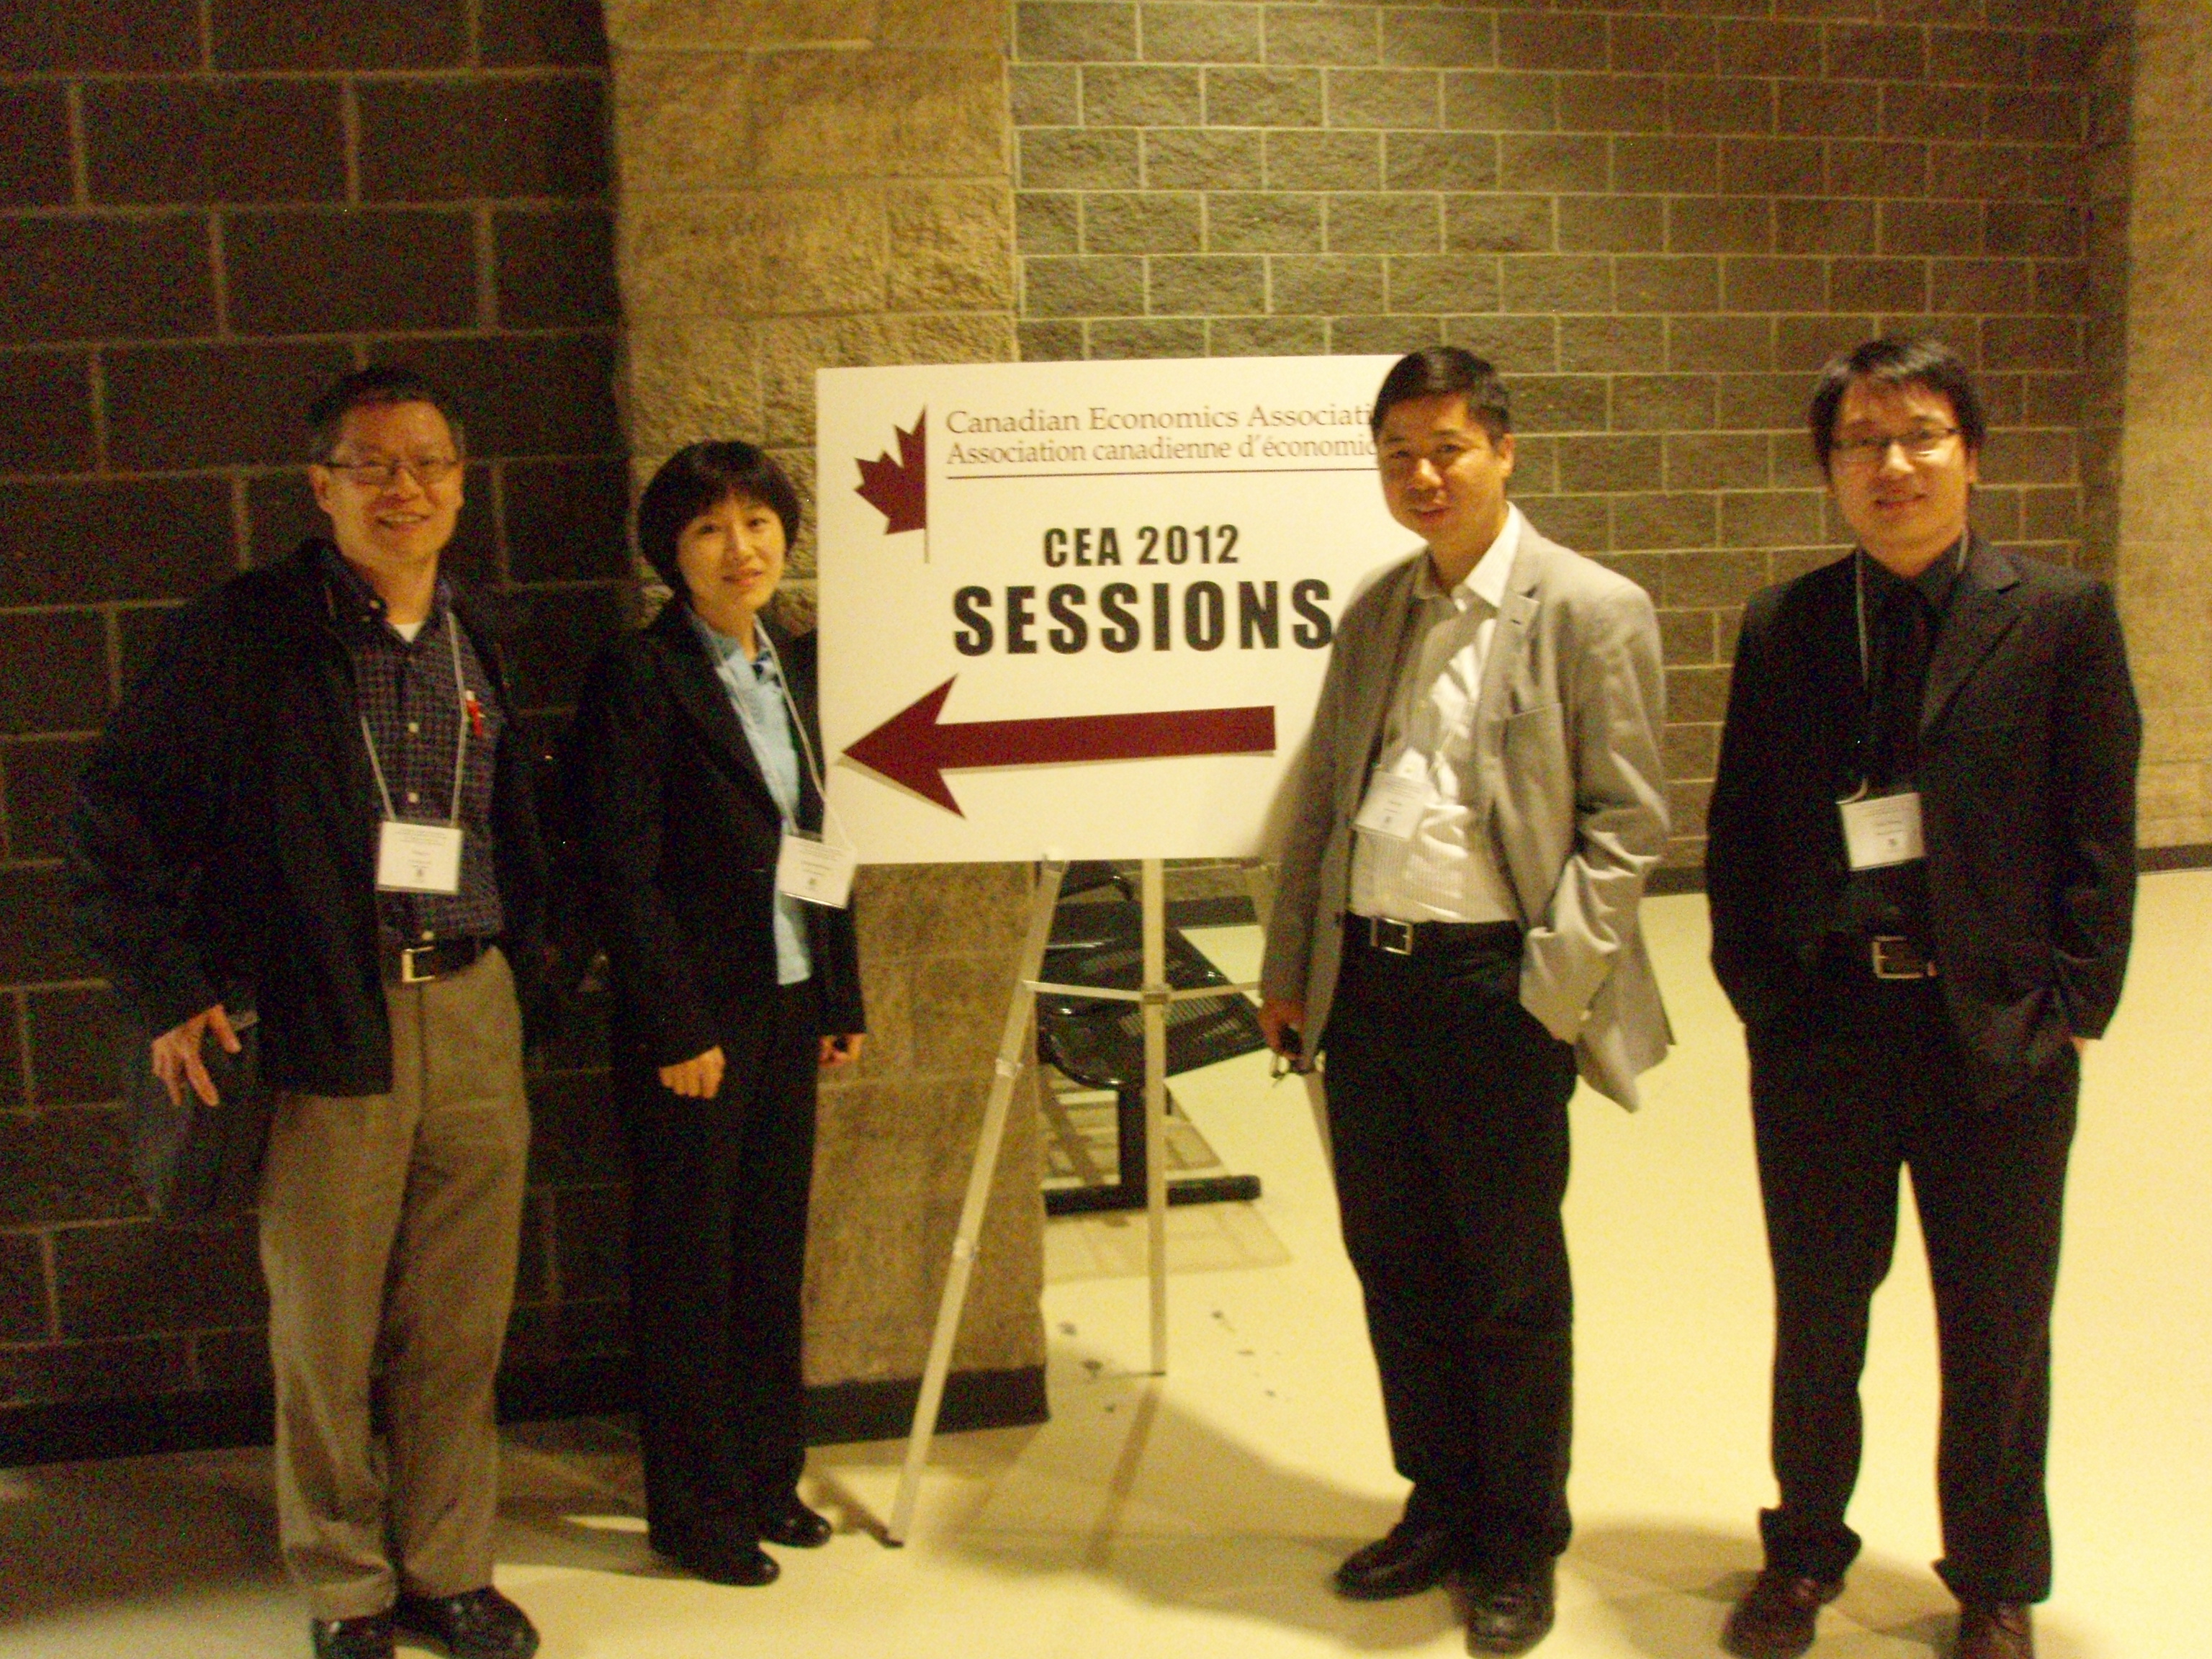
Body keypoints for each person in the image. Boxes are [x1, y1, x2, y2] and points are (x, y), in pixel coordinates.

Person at [69, 368, 547, 1659]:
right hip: (332, 1022)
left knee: (461, 1322)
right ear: (320, 484)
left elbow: (508, 821)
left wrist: (532, 971)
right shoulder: (250, 631)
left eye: (430, 463)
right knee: (326, 1328)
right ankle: (345, 1581)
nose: (406, 489)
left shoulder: (472, 626)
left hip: (474, 1010)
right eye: (373, 465)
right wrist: (167, 989)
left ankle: (451, 1565)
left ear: (462, 478)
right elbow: (112, 813)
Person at [1704, 337, 2139, 1659]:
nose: (1892, 464)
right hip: (1827, 1031)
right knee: (1819, 1311)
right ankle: (1803, 1553)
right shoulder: (1786, 624)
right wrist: (1762, 994)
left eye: (1921, 435)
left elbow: (2099, 837)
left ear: (1970, 452)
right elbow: (1739, 834)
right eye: (1861, 441)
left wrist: (2069, 1006)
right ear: (1830, 467)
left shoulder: (2060, 616)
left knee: (1998, 1324)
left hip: (1995, 1038)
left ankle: (1995, 1579)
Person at [1258, 348, 1671, 1655]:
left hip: (1494, 986)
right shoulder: (1376, 609)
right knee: (1395, 1263)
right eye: (1397, 455)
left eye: (1447, 449)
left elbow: (1628, 824)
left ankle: (1518, 1540)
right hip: (1366, 983)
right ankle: (1438, 1501)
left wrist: (1550, 989)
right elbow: (1320, 806)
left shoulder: (1592, 609)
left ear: (1505, 451)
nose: (1423, 476)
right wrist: (1289, 974)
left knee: (1506, 1278)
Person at [565, 441, 866, 1588]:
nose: (738, 549)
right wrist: (675, 1027)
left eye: (756, 524)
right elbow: (619, 873)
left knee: (769, 1258)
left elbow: (827, 837)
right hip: (696, 1026)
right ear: (670, 555)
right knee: (690, 1266)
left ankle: (766, 1480)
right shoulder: (641, 678)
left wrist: (840, 994)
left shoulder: (794, 667)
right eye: (707, 531)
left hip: (792, 1005)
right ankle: (693, 1511)